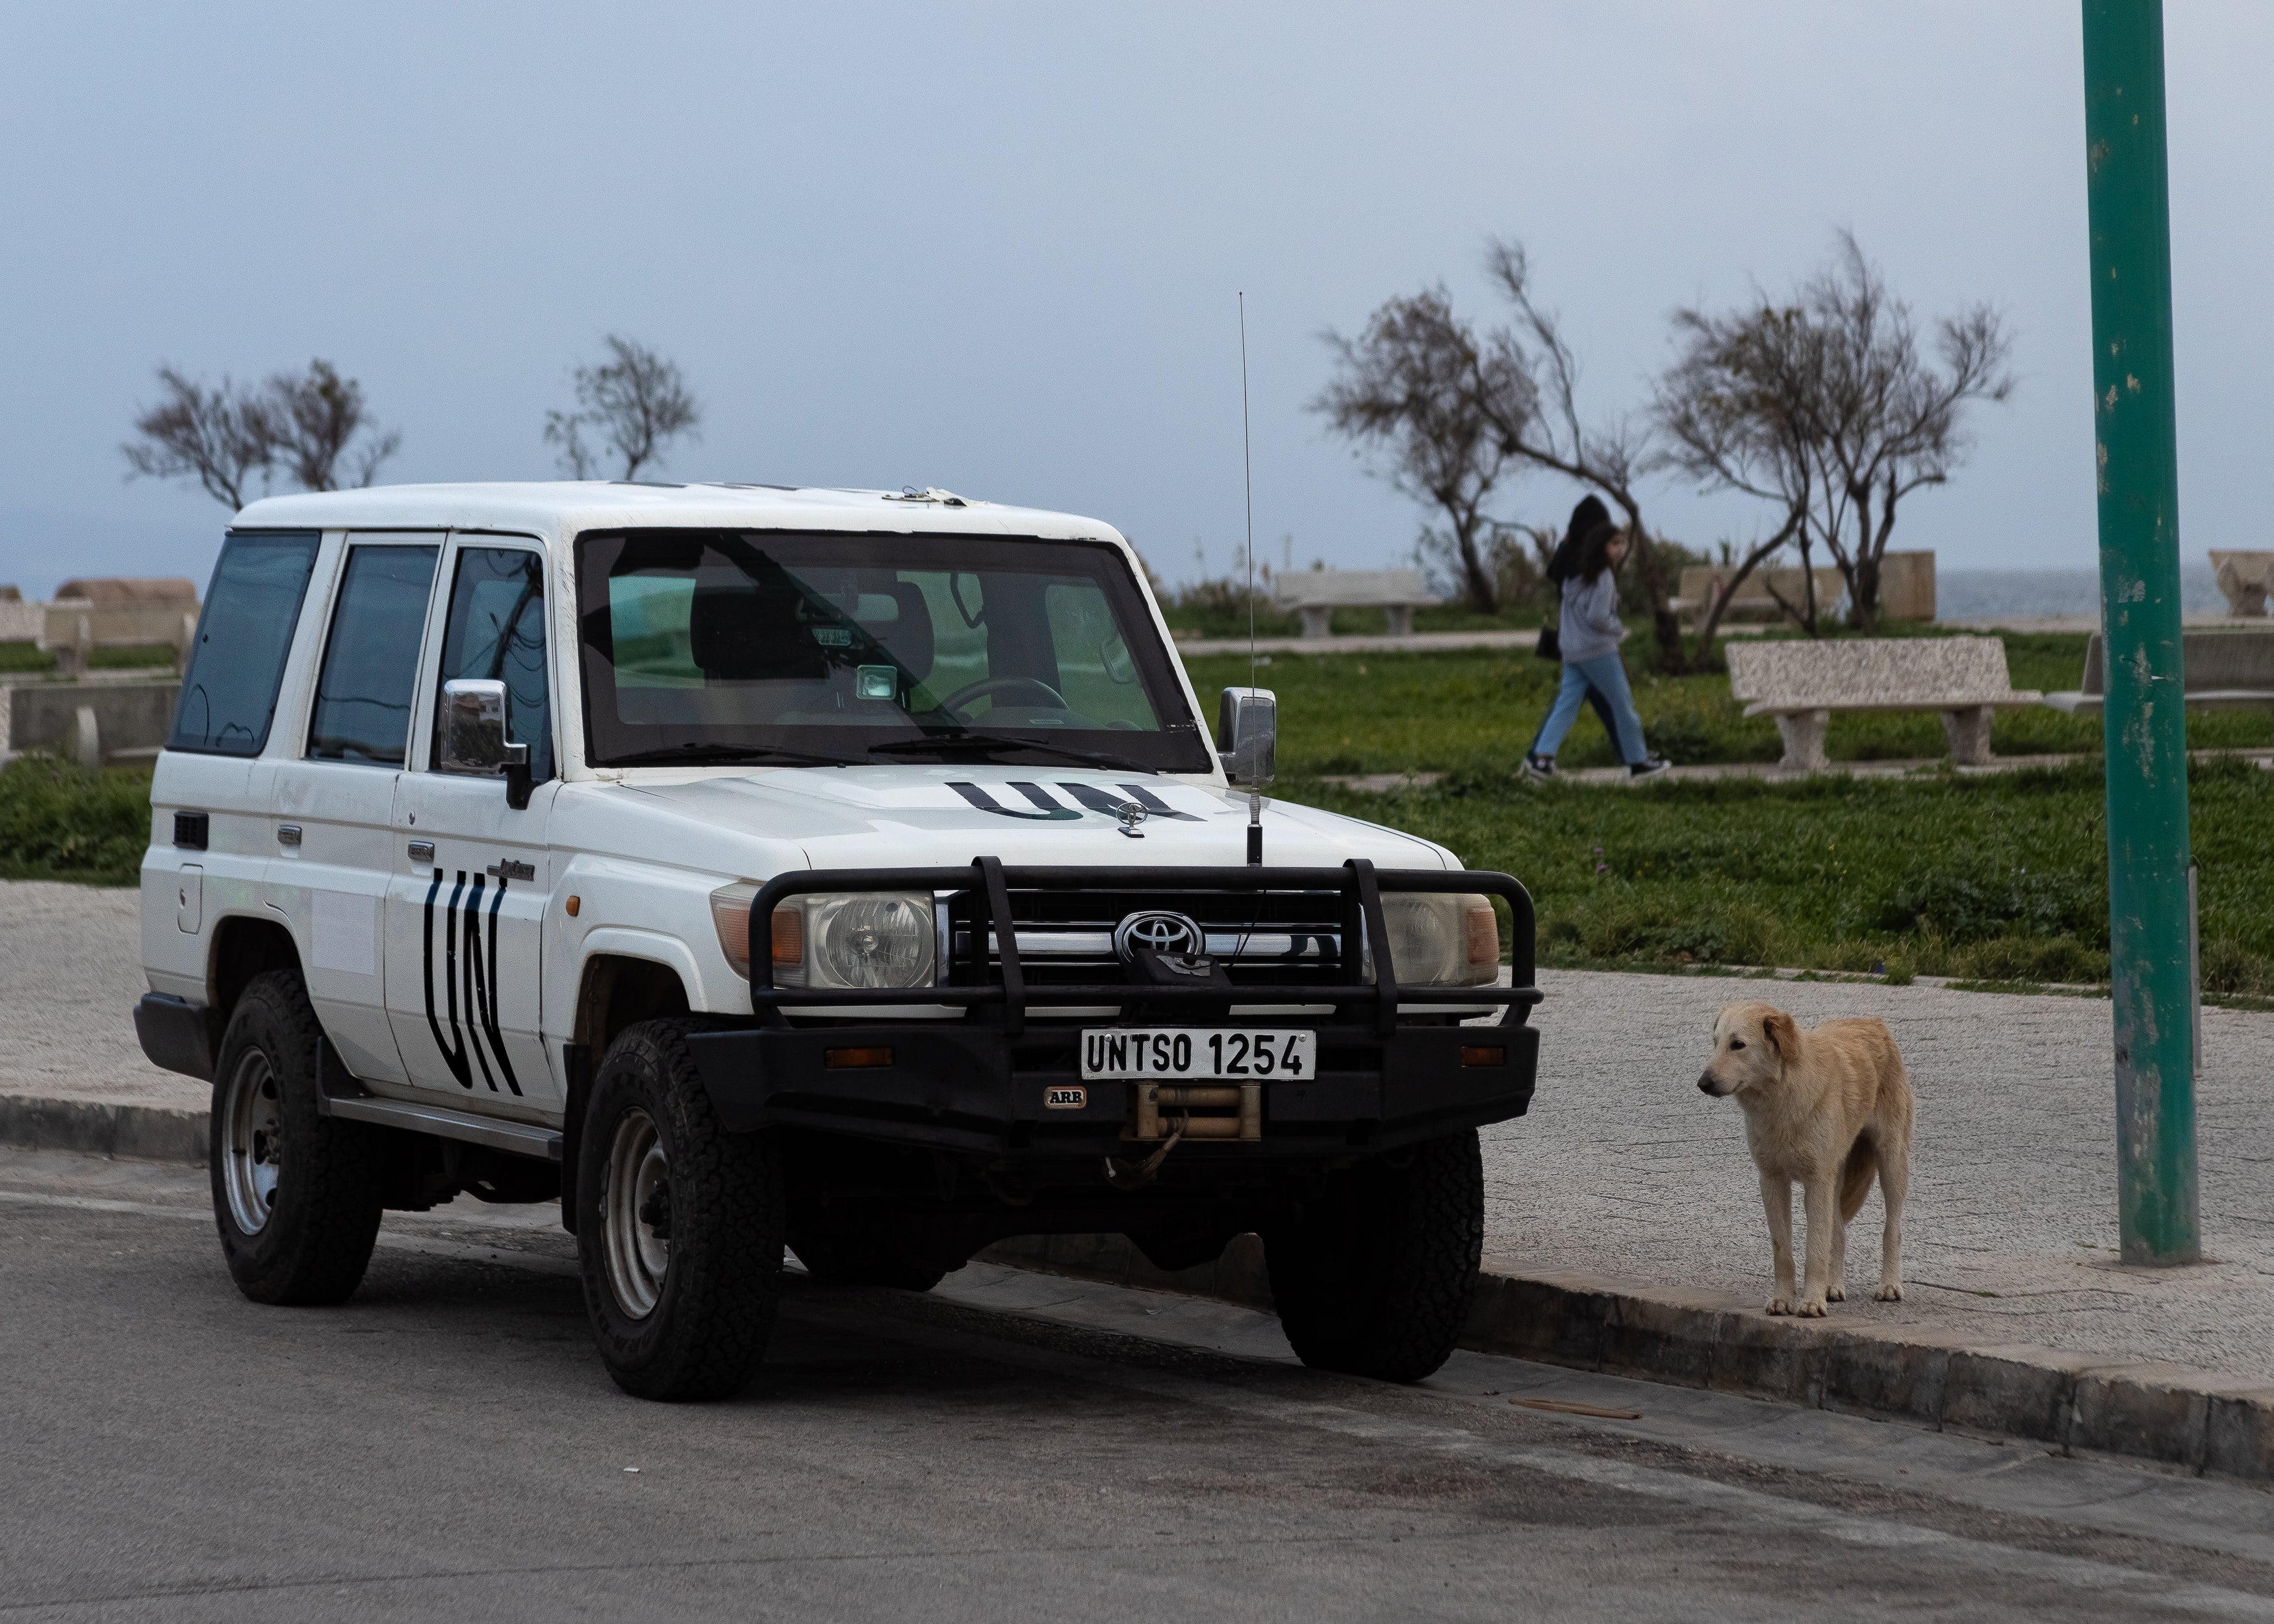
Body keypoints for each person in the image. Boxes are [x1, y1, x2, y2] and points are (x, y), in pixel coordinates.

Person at [1524, 520, 1671, 780]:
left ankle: (1542, 760)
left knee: (1566, 705)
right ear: (1599, 546)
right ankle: (1638, 763)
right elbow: (1598, 617)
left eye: (1623, 543)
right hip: (1599, 653)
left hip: (1571, 652)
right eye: (1615, 543)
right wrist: (1618, 629)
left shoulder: (1572, 577)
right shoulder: (1604, 577)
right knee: (1623, 705)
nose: (1621, 549)